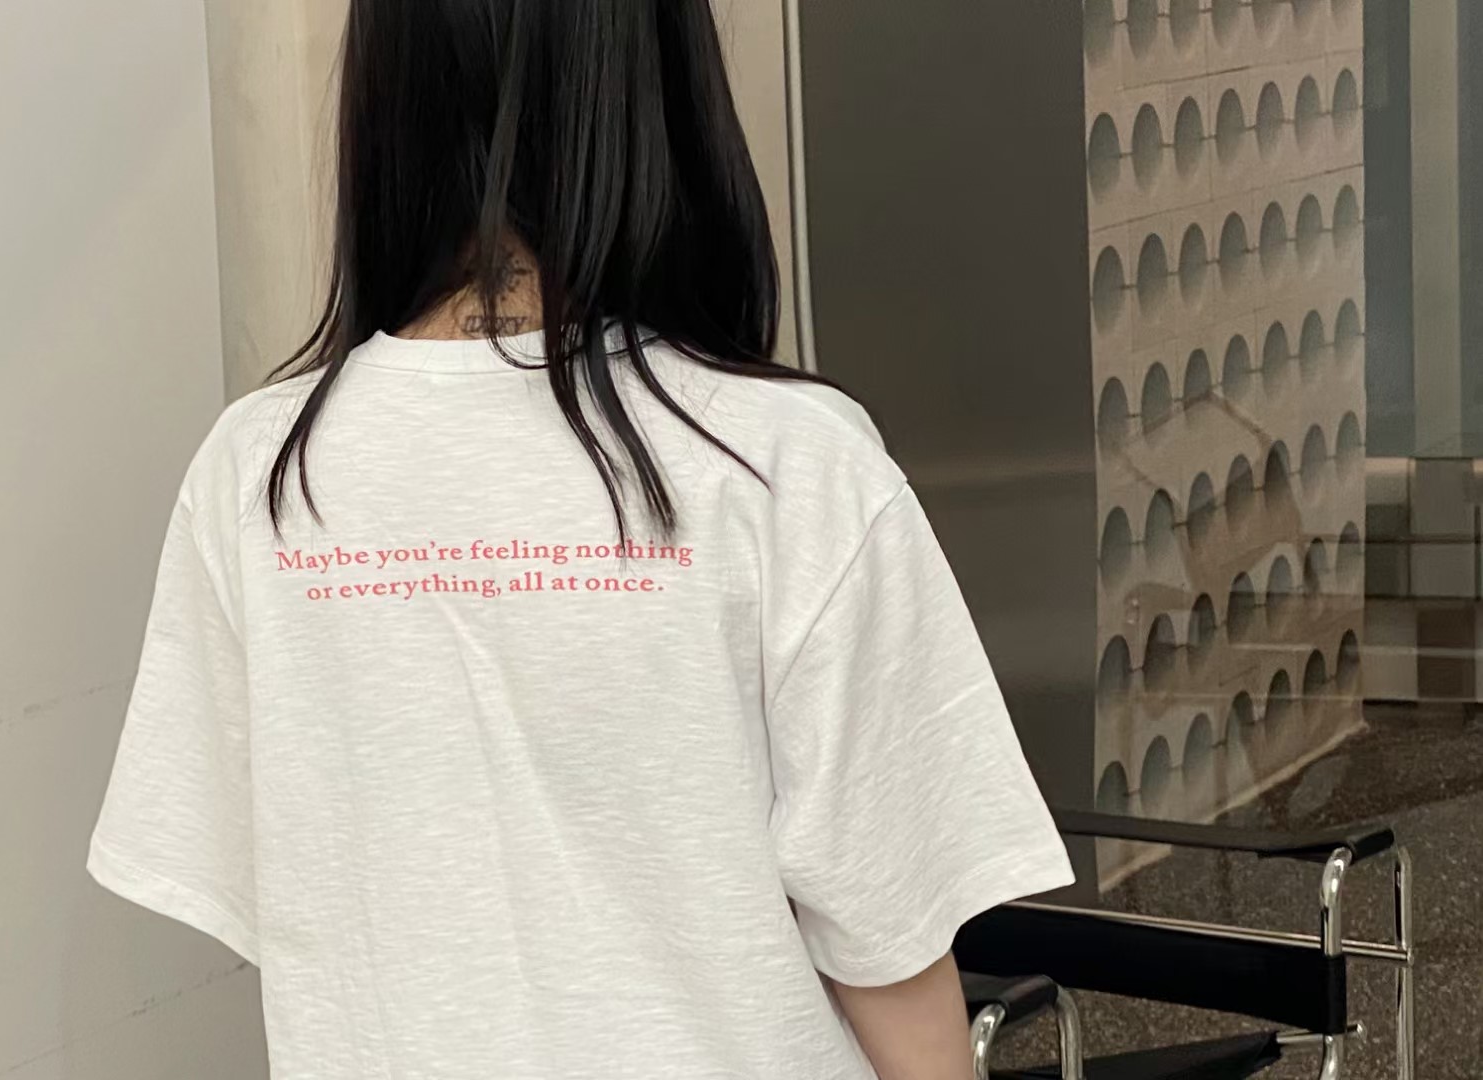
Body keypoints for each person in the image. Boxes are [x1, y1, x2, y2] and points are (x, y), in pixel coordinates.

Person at [86, 2, 1074, 1077]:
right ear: (660, 84)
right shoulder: (784, 463)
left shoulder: (260, 477)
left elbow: (289, 894)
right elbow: (886, 948)